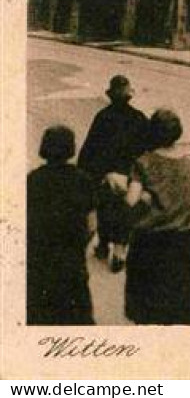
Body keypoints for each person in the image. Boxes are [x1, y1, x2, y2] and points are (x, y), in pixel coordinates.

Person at [124, 109, 190, 325]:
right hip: (184, 248)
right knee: (179, 317)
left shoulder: (144, 163)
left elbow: (131, 202)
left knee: (149, 317)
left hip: (151, 247)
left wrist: (141, 198)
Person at [78, 75, 148, 273]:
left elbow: (89, 149)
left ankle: (103, 244)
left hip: (106, 175)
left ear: (110, 96)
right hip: (130, 176)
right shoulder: (139, 118)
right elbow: (148, 148)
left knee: (106, 208)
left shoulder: (103, 117)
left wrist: (86, 172)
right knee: (126, 211)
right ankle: (120, 249)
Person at [27, 125, 95, 325]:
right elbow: (91, 225)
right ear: (71, 149)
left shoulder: (32, 180)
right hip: (71, 256)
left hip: (40, 257)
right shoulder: (83, 180)